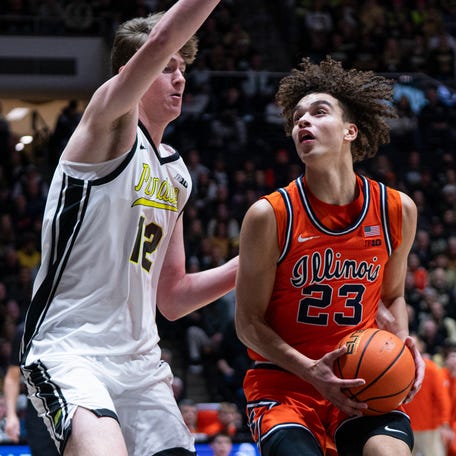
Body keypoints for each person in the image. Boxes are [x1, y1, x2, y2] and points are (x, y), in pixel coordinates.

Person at [19, 1, 238, 455]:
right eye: (167, 68)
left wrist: (253, 261)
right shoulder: (108, 124)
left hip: (141, 366)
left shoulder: (176, 173)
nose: (180, 77)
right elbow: (159, 40)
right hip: (71, 348)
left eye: (183, 69)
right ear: (131, 72)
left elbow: (173, 299)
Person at [235, 56, 425, 456]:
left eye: (319, 112)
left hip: (360, 378)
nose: (303, 121)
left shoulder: (396, 210)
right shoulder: (270, 215)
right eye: (297, 117)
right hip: (284, 385)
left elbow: (392, 297)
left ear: (350, 131)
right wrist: (310, 372)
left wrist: (403, 345)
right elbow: (248, 324)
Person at [3, 322, 59, 455]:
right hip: (39, 413)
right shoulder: (25, 330)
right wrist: (11, 415)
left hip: (77, 406)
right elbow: (12, 377)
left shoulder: (79, 324)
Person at [402, 335, 452, 456]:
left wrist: (445, 424)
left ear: (421, 346)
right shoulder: (400, 369)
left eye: (414, 343)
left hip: (430, 428)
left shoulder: (431, 369)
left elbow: (442, 398)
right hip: (407, 426)